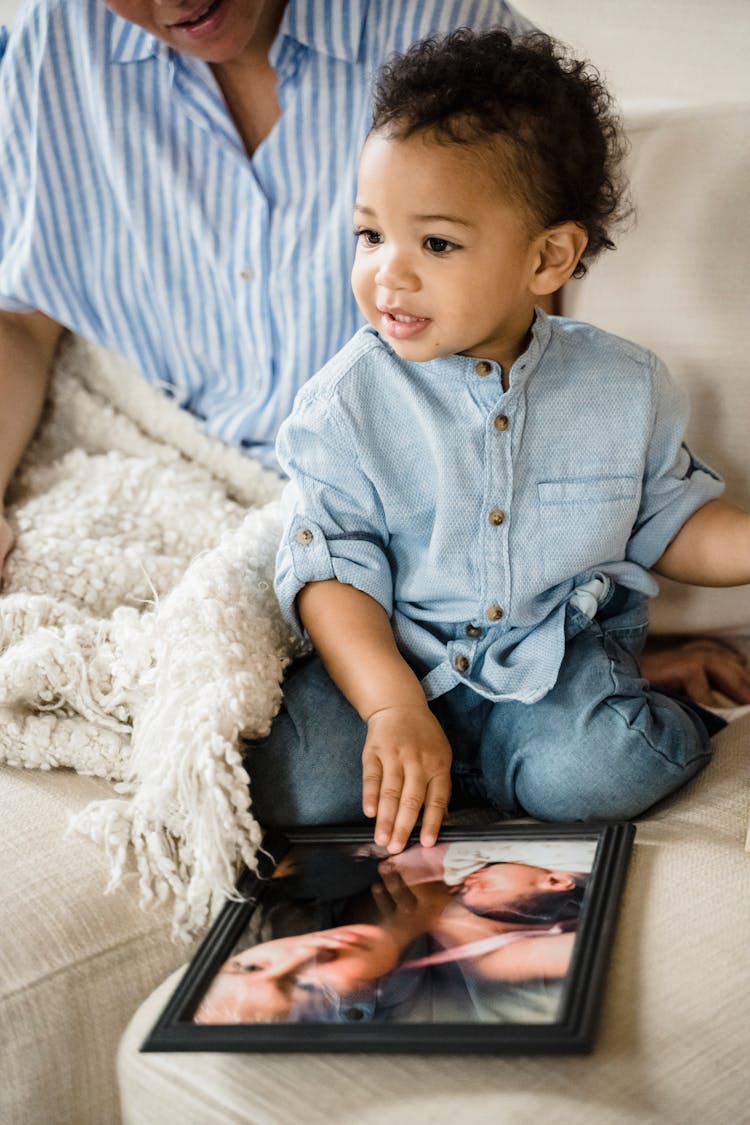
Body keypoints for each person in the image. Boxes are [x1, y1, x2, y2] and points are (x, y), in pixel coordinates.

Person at [1, 0, 749, 701]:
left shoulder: (452, 38)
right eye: (367, 235)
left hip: (426, 545)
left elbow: (523, 416)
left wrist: (568, 653)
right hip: (205, 499)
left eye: (433, 241)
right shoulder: (45, 59)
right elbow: (19, 315)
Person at [246, 28, 750, 855]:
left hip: (548, 671)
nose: (389, 273)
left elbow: (673, 521)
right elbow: (330, 571)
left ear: (549, 256)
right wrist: (390, 705)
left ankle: (626, 705)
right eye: (371, 235)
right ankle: (442, 749)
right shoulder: (345, 401)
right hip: (393, 668)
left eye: (436, 243)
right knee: (294, 782)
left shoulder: (624, 387)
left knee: (605, 773)